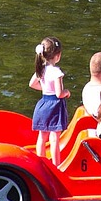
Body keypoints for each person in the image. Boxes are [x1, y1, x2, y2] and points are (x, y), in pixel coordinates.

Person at [29, 36, 71, 165]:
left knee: (42, 136)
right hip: (54, 106)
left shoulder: (41, 69)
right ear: (57, 56)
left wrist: (44, 89)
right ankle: (56, 166)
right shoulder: (56, 72)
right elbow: (59, 94)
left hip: (43, 104)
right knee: (54, 138)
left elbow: (32, 84)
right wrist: (67, 93)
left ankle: (40, 162)